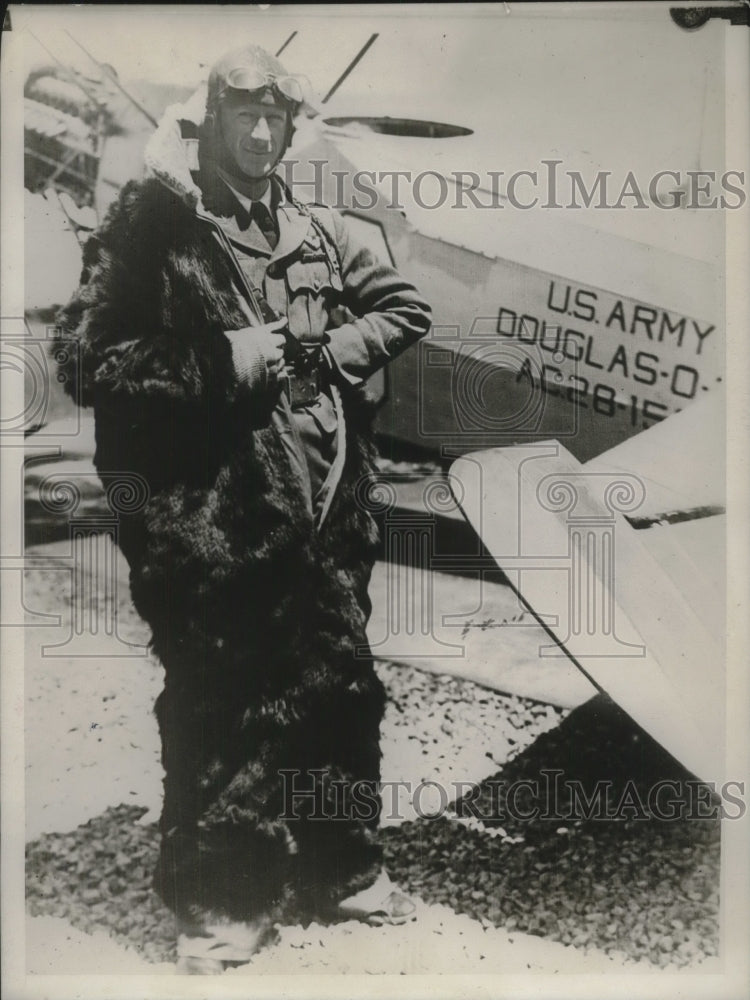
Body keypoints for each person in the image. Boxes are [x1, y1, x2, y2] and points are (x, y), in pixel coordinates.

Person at [57, 43, 431, 973]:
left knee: (340, 686)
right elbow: (87, 357)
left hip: (325, 510)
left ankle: (341, 868)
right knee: (224, 703)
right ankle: (221, 901)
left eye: (276, 119)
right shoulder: (152, 225)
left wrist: (332, 352)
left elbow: (400, 311)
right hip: (211, 518)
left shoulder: (312, 223)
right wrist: (236, 357)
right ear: (211, 121)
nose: (262, 135)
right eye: (245, 117)